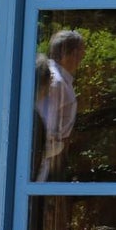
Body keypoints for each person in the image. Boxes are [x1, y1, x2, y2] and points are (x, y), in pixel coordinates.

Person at [35, 29, 85, 182]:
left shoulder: (57, 79)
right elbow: (44, 124)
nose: (82, 57)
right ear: (72, 53)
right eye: (81, 52)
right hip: (40, 162)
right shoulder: (55, 82)